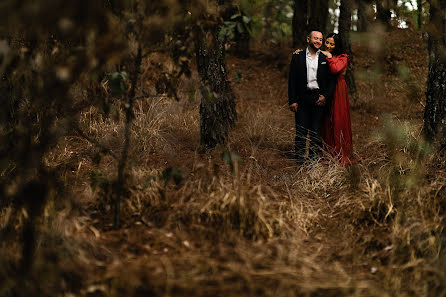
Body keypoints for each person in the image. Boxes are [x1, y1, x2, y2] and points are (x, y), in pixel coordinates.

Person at [288, 30, 336, 164]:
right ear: (308, 39)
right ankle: (299, 160)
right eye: (315, 38)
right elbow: (292, 80)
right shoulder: (298, 56)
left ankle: (313, 160)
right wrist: (292, 100)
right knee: (301, 131)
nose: (318, 41)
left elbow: (332, 80)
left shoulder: (325, 58)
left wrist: (326, 96)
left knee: (316, 131)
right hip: (302, 98)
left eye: (320, 39)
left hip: (318, 98)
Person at [320, 33, 353, 166]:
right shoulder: (324, 54)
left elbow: (335, 69)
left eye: (332, 44)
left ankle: (340, 153)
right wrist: (301, 52)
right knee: (327, 120)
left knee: (338, 119)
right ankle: (328, 153)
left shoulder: (343, 57)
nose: (328, 46)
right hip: (327, 89)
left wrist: (328, 57)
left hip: (339, 90)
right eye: (327, 42)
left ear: (337, 45)